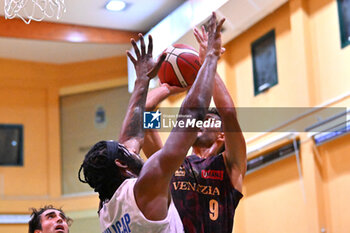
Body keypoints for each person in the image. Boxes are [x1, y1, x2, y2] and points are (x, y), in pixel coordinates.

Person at [78, 12, 224, 233]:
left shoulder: (106, 209)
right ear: (121, 164)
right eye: (122, 151)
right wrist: (210, 59)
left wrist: (148, 83)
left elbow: (139, 127)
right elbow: (191, 115)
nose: (126, 145)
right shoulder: (149, 181)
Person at [143, 24, 247, 233]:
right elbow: (145, 111)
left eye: (207, 119)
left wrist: (207, 63)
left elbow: (227, 112)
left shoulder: (231, 165)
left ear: (222, 135)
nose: (199, 122)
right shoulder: (171, 161)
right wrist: (166, 87)